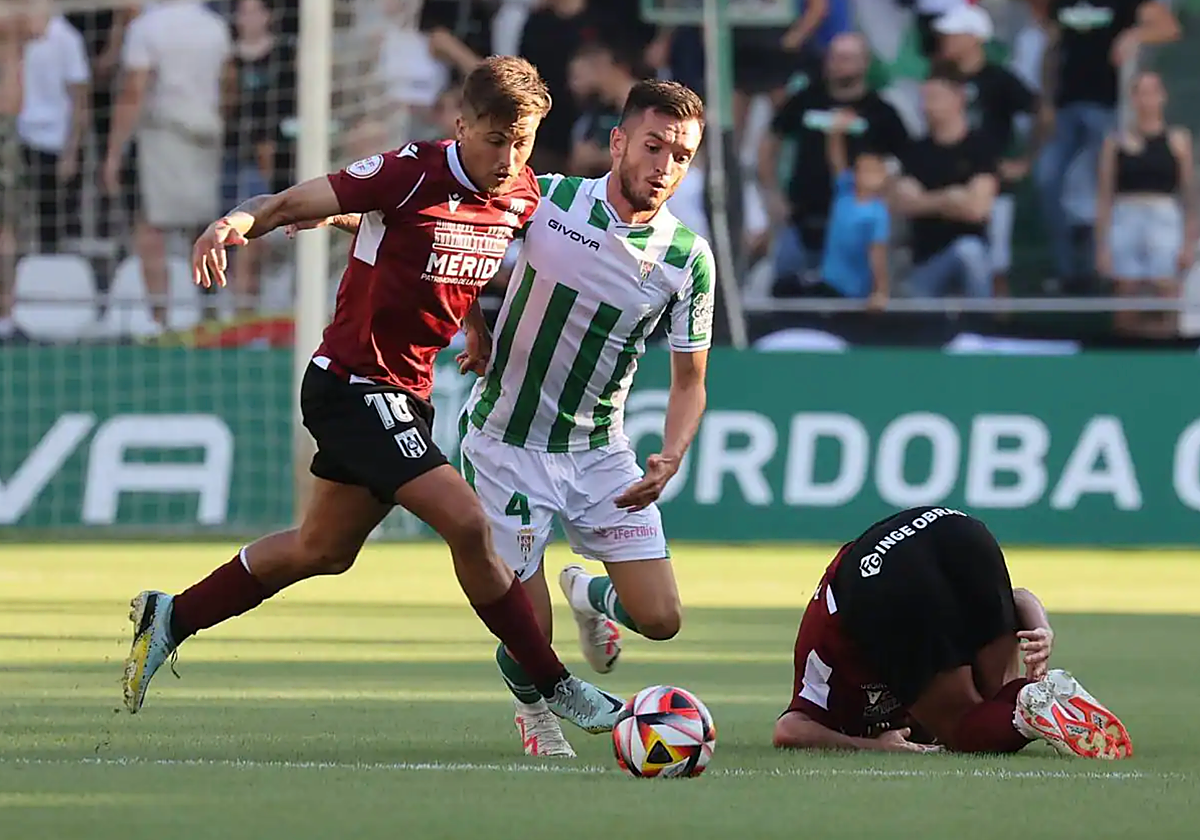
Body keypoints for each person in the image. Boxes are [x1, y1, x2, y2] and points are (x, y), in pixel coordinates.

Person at [121, 56, 625, 738]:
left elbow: (454, 262)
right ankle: (558, 685)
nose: (509, 157)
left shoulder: (521, 197)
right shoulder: (409, 170)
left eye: (523, 141)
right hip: (351, 383)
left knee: (322, 549)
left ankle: (170, 616)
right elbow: (289, 203)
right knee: (469, 523)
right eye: (495, 138)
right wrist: (234, 224)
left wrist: (472, 327)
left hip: (406, 394)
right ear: (462, 125)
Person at [460, 79, 713, 757]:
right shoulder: (547, 197)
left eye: (681, 155)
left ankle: (591, 593)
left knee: (661, 620)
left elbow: (691, 380)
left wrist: (673, 453)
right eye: (654, 146)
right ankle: (537, 717)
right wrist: (472, 323)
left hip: (600, 452)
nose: (664, 166)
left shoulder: (687, 259)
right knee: (525, 633)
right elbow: (451, 236)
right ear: (619, 142)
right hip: (505, 447)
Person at [773, 506, 1133, 759]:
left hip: (877, 570)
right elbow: (1018, 599)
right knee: (995, 695)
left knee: (961, 727)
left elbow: (789, 729)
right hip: (954, 525)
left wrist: (875, 747)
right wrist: (1040, 625)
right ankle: (1041, 694)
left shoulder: (826, 657)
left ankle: (1029, 709)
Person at [1035, 0, 1178, 282]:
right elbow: (1052, 49)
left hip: (1108, 104)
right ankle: (1067, 265)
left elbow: (1169, 28)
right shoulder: (1061, 4)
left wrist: (1135, 34)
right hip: (1066, 105)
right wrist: (1047, 99)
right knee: (1046, 177)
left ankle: (1096, 259)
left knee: (1100, 177)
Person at [934, 4, 1041, 301]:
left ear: (973, 38)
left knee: (995, 264)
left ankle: (995, 326)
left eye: (953, 35)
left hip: (991, 185)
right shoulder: (940, 76)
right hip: (947, 181)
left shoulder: (1000, 79)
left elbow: (1041, 113)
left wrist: (1027, 160)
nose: (945, 40)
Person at [1095, 71, 1195, 339]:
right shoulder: (1114, 142)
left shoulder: (1178, 140)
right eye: (1141, 92)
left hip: (1163, 215)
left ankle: (1166, 348)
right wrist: (1102, 245)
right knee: (1126, 291)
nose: (1147, 99)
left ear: (1163, 97)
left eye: (1153, 92)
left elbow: (1189, 193)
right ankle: (1130, 351)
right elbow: (1105, 194)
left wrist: (1189, 240)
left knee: (1167, 288)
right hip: (1125, 215)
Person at [893, 66, 998, 299]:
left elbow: (977, 209)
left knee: (968, 251)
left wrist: (926, 200)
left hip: (968, 252)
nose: (926, 106)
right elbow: (904, 204)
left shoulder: (980, 148)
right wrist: (950, 197)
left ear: (958, 99)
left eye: (934, 98)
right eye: (924, 99)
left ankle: (982, 325)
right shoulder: (914, 152)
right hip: (926, 263)